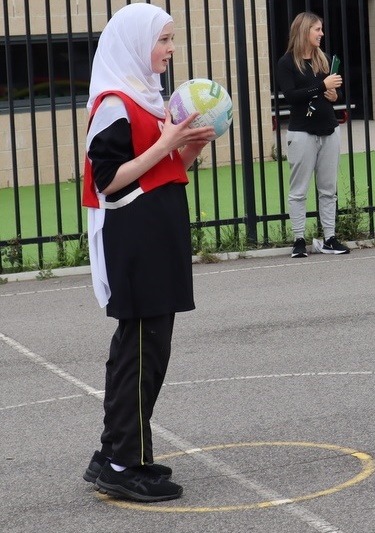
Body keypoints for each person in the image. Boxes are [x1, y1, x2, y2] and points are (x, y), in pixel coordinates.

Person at [80, 3, 216, 502]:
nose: (170, 49)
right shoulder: (114, 102)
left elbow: (164, 168)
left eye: (172, 39)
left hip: (158, 230)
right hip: (136, 236)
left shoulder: (149, 98)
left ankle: (115, 453)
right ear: (136, 43)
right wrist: (167, 143)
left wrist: (192, 144)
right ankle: (121, 465)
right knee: (141, 350)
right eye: (163, 40)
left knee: (143, 349)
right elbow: (108, 181)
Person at [275, 12, 348, 258]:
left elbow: (333, 94)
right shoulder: (286, 62)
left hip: (329, 129)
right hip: (301, 133)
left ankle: (329, 237)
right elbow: (291, 96)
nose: (321, 34)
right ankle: (298, 240)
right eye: (317, 29)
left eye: (321, 29)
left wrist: (333, 95)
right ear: (305, 30)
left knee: (328, 189)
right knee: (299, 190)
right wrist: (322, 86)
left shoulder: (324, 59)